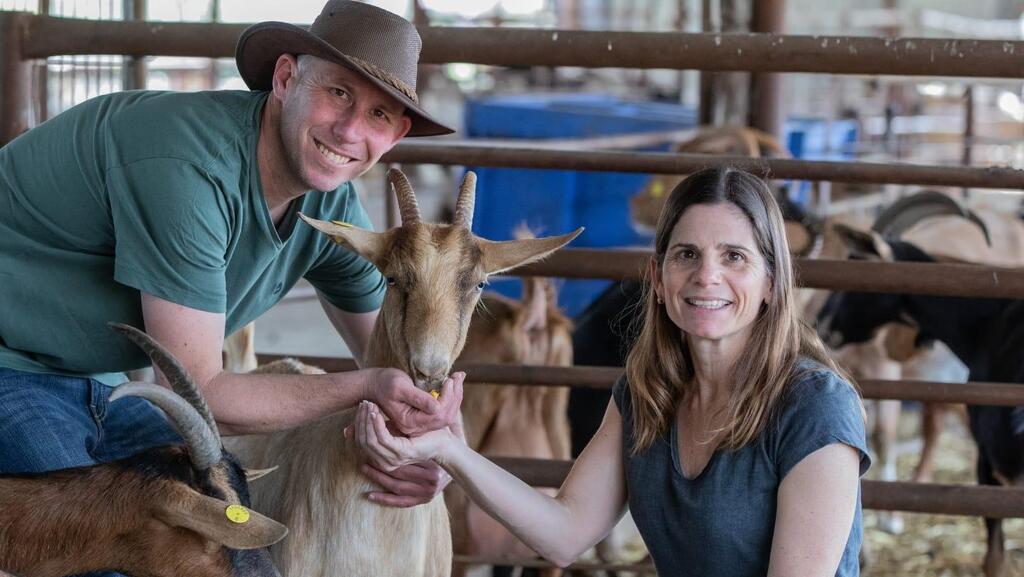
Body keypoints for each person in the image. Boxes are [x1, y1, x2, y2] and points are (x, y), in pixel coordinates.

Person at [0, 0, 458, 540]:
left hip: (100, 382)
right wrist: (370, 387)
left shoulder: (330, 211)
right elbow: (201, 395)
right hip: (12, 366)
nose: (349, 130)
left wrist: (438, 457)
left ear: (395, 135)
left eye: (378, 114)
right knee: (100, 542)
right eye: (338, 93)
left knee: (222, 528)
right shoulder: (187, 164)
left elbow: (400, 361)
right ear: (287, 78)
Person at [355, 167, 871, 576]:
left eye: (734, 257)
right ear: (658, 276)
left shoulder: (814, 406)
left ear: (771, 282)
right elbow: (565, 532)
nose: (706, 276)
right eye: (685, 254)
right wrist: (450, 450)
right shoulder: (649, 393)